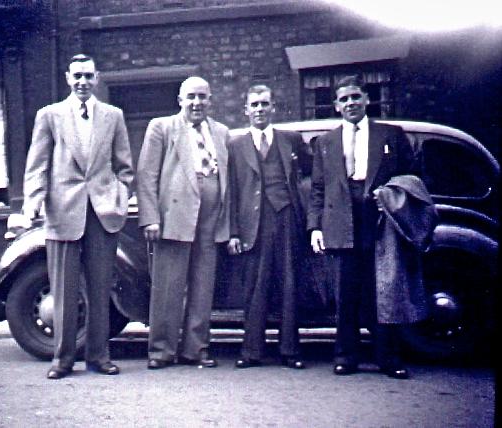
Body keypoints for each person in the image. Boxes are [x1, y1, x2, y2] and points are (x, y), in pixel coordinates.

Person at [22, 54, 134, 379]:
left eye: (88, 76)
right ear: (68, 78)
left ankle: (100, 357)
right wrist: (34, 202)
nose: (83, 82)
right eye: (77, 76)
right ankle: (63, 359)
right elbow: (37, 165)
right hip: (62, 213)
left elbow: (125, 167)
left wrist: (118, 196)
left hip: (102, 214)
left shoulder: (113, 116)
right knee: (64, 290)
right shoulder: (50, 116)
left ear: (96, 78)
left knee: (101, 288)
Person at [308, 75, 417, 379]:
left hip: (380, 221)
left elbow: (412, 178)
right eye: (343, 99)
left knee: (383, 290)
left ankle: (389, 358)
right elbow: (318, 188)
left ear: (366, 99)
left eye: (355, 97)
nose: (350, 103)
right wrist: (315, 227)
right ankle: (345, 356)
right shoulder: (326, 142)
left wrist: (392, 197)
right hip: (340, 220)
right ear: (336, 106)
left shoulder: (391, 135)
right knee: (345, 293)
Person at [137, 76, 230, 369]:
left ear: (210, 100)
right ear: (179, 100)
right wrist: (150, 217)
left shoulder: (222, 132)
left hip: (211, 217)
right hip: (173, 217)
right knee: (168, 285)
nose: (196, 103)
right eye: (190, 97)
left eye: (202, 97)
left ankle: (195, 349)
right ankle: (161, 350)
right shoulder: (162, 128)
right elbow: (146, 175)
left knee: (203, 284)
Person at [227, 85, 309, 369]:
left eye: (265, 104)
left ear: (273, 107)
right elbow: (231, 192)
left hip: (286, 219)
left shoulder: (291, 140)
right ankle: (251, 351)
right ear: (246, 110)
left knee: (289, 284)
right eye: (255, 105)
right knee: (254, 287)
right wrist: (234, 232)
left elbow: (311, 176)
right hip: (253, 224)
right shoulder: (235, 145)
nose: (260, 109)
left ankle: (290, 351)